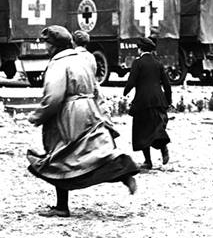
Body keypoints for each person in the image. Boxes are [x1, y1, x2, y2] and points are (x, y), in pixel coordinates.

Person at [27, 25, 139, 218]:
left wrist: (39, 115)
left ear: (54, 46)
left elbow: (54, 96)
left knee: (60, 156)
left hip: (68, 112)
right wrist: (104, 115)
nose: (45, 47)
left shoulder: (58, 64)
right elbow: (96, 89)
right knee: (93, 152)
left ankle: (62, 206)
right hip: (89, 109)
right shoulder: (82, 60)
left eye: (47, 43)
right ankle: (122, 173)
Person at [123, 37, 173, 168]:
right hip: (158, 100)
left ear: (140, 49)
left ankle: (148, 161)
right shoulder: (158, 63)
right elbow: (167, 84)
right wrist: (168, 101)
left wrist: (125, 92)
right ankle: (164, 149)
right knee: (157, 127)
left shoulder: (138, 63)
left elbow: (131, 82)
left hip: (142, 101)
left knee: (142, 131)